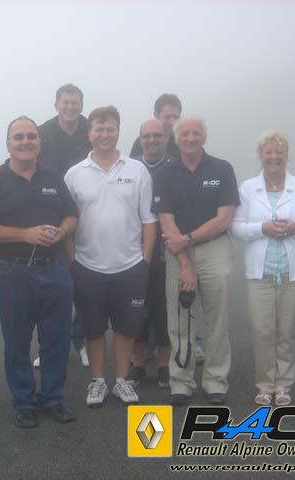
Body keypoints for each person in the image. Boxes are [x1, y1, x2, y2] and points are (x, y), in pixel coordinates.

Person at [0, 116, 78, 429]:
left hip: (54, 268)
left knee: (57, 339)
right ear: (8, 144)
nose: (25, 142)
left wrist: (62, 231)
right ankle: (24, 402)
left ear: (39, 142)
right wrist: (25, 234)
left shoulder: (53, 177)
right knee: (17, 341)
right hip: (13, 272)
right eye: (18, 137)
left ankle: (53, 398)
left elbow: (72, 215)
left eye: (31, 136)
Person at [65, 106, 157, 407]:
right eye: (99, 129)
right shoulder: (74, 174)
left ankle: (120, 381)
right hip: (87, 265)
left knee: (126, 328)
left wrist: (144, 261)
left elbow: (148, 220)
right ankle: (97, 381)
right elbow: (68, 222)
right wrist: (72, 261)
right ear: (89, 133)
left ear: (118, 132)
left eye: (110, 129)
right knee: (92, 329)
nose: (104, 134)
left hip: (130, 266)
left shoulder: (137, 170)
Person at [153, 117, 239, 406]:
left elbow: (224, 218)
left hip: (215, 249)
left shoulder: (222, 169)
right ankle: (181, 382)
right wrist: (185, 264)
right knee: (180, 322)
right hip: (177, 253)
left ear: (204, 136)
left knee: (217, 320)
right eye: (185, 134)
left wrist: (188, 239)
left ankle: (215, 380)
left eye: (196, 133)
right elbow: (166, 221)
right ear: (176, 138)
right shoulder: (165, 173)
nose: (190, 138)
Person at [231, 131, 295, 406]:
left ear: (286, 156)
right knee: (262, 331)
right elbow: (236, 227)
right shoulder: (248, 188)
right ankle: (265, 384)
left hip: (294, 275)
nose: (273, 157)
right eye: (268, 152)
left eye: (279, 152)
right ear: (260, 156)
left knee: (286, 332)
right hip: (260, 274)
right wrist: (263, 228)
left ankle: (283, 386)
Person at [35, 83, 92, 368]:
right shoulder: (42, 133)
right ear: (56, 104)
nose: (70, 107)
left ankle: (81, 341)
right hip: (52, 212)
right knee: (51, 287)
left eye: (75, 103)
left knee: (84, 283)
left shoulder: (91, 130)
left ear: (81, 105)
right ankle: (47, 347)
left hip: (88, 213)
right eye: (65, 102)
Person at [126, 118, 173, 389]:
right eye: (147, 136)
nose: (152, 140)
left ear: (166, 138)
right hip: (133, 247)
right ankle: (138, 364)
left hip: (167, 249)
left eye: (157, 135)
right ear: (140, 139)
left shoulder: (176, 167)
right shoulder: (129, 167)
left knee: (163, 309)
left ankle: (165, 365)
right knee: (135, 308)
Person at [129, 93, 181, 159]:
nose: (172, 122)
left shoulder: (184, 142)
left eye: (176, 117)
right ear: (156, 116)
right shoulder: (143, 142)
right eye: (167, 117)